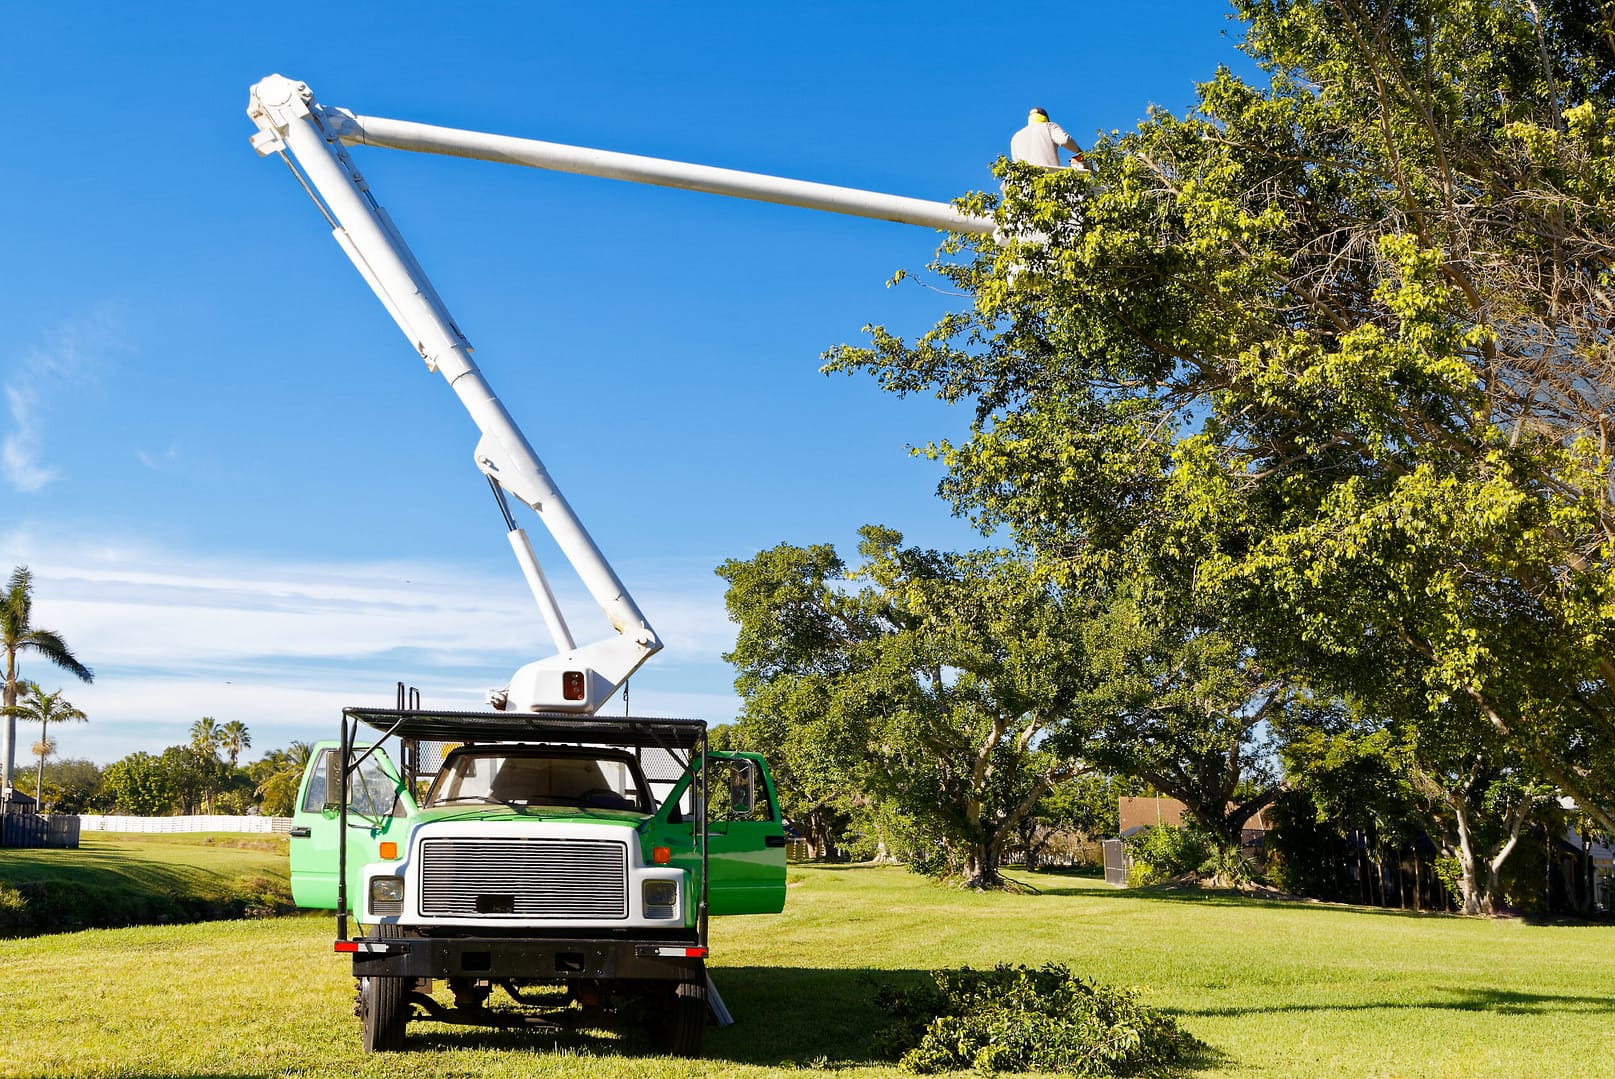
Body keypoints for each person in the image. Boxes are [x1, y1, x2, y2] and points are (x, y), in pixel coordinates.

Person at [1010, 107, 1087, 170]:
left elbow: (1016, 164)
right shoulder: (1048, 126)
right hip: (1049, 179)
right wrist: (1079, 152)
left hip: (1027, 183)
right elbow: (1065, 140)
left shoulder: (1016, 137)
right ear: (1046, 118)